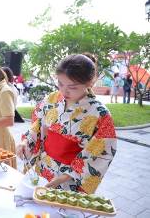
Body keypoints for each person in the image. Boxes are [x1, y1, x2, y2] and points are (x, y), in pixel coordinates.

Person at [16, 54, 117, 194]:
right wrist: (26, 142)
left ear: (89, 82)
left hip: (69, 177)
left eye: (73, 87)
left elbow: (99, 153)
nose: (64, 91)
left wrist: (65, 176)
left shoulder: (99, 113)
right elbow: (37, 126)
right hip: (43, 167)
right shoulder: (52, 98)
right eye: (60, 83)